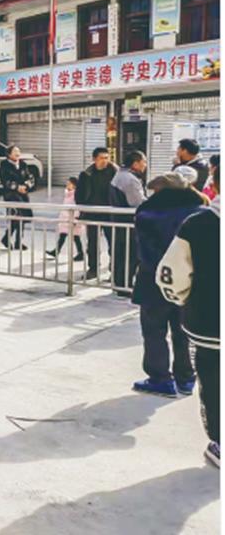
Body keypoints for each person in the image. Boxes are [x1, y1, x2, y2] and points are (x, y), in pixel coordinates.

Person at [157, 163, 220, 468]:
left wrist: (185, 302)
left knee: (214, 383)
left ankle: (220, 442)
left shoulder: (198, 224)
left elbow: (171, 275)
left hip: (210, 322)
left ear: (215, 185)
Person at [131, 171, 204, 399]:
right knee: (183, 331)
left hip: (154, 279)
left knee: (154, 331)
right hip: (189, 280)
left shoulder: (146, 215)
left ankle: (160, 379)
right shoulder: (200, 212)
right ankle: (186, 378)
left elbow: (142, 251)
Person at [76, 147, 119, 280]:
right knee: (92, 242)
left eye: (107, 158)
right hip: (93, 213)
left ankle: (115, 269)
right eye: (101, 158)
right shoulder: (86, 174)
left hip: (110, 213)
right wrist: (83, 208)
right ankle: (93, 268)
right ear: (94, 159)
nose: (104, 161)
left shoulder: (114, 172)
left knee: (114, 242)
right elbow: (79, 195)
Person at [108, 150, 147, 295]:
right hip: (128, 223)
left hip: (120, 222)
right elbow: (138, 203)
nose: (145, 165)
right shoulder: (129, 179)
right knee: (129, 255)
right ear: (135, 164)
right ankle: (124, 287)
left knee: (122, 255)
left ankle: (120, 285)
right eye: (143, 162)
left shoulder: (121, 175)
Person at [0, 145, 32, 251]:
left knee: (23, 218)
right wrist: (17, 187)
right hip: (11, 196)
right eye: (15, 151)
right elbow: (4, 181)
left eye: (19, 151)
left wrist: (26, 186)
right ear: (9, 154)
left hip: (23, 196)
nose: (18, 154)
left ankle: (18, 242)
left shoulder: (23, 164)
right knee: (16, 218)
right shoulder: (4, 165)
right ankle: (6, 238)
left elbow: (29, 178)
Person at [46, 177, 84, 261]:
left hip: (72, 218)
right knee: (65, 235)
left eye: (70, 184)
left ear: (74, 185)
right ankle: (57, 251)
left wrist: (76, 217)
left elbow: (77, 207)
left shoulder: (75, 195)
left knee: (74, 236)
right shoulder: (68, 194)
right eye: (67, 184)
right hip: (66, 218)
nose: (68, 186)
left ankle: (80, 253)